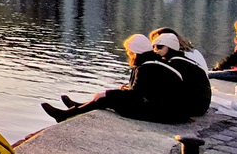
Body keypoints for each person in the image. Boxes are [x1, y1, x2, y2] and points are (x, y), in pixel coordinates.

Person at [43, 34, 186, 124]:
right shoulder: (155, 63)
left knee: (108, 99)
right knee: (111, 97)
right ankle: (78, 107)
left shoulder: (145, 68)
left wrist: (108, 93)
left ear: (135, 52)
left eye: (129, 51)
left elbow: (135, 96)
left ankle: (66, 115)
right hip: (175, 112)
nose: (128, 54)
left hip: (167, 115)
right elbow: (145, 89)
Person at [151, 32, 211, 118]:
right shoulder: (184, 60)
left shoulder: (175, 64)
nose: (155, 50)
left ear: (170, 47)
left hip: (194, 107)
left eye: (159, 47)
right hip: (201, 106)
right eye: (153, 47)